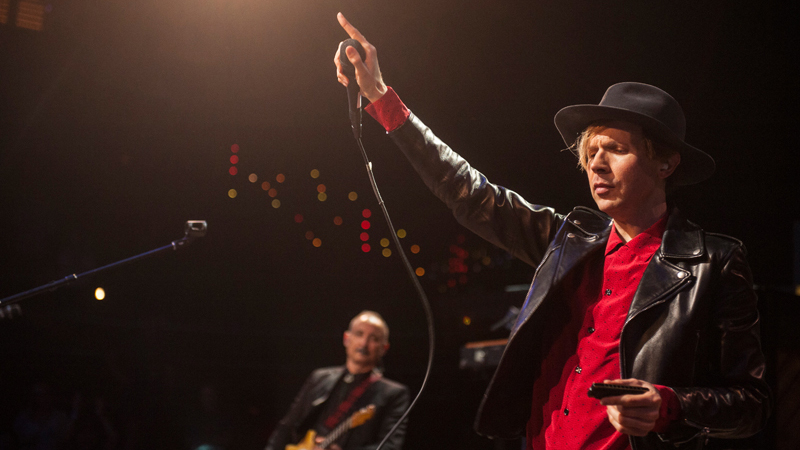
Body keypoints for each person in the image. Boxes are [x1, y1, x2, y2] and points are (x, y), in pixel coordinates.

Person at [333, 13, 770, 450]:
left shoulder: (713, 263)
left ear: (666, 163)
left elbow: (751, 404)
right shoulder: (568, 242)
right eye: (591, 151)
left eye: (616, 149)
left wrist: (668, 406)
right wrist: (380, 97)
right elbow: (470, 192)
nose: (597, 164)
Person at [265, 311, 409, 450]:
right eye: (359, 334)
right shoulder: (319, 377)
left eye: (374, 339)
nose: (364, 343)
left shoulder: (394, 394)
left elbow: (390, 446)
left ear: (384, 348)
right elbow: (287, 427)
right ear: (346, 338)